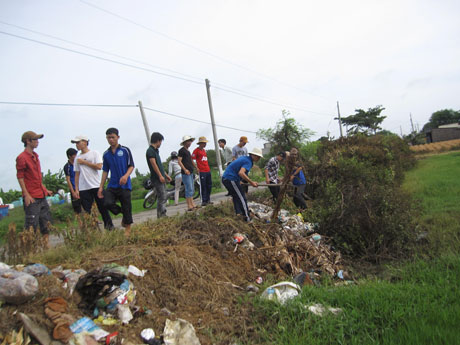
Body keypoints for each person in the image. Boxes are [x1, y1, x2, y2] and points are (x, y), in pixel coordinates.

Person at [16, 131, 53, 247]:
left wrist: (45, 189)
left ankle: (46, 248)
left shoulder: (35, 156)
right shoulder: (22, 157)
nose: (37, 142)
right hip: (32, 197)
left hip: (41, 195)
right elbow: (20, 177)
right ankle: (29, 251)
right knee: (31, 226)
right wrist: (26, 195)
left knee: (46, 224)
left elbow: (37, 177)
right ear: (28, 141)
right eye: (35, 139)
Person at [98, 128, 135, 236]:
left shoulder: (125, 150)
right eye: (108, 138)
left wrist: (126, 176)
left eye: (113, 137)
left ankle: (127, 228)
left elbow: (131, 166)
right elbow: (105, 171)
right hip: (112, 184)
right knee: (107, 202)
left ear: (118, 137)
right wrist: (101, 187)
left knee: (126, 204)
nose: (111, 140)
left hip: (125, 184)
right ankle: (123, 213)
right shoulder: (106, 154)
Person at [72, 135, 114, 230]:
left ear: (85, 142)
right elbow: (77, 174)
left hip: (95, 185)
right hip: (83, 188)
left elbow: (99, 166)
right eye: (76, 143)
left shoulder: (94, 153)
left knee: (102, 208)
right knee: (88, 211)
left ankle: (109, 227)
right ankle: (94, 230)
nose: (77, 145)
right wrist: (76, 189)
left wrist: (85, 162)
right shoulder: (77, 159)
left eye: (78, 142)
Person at [222, 148, 263, 222]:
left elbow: (237, 170)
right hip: (231, 179)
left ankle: (239, 213)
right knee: (242, 198)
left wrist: (239, 181)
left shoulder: (244, 158)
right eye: (258, 156)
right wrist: (251, 182)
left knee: (236, 196)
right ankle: (247, 218)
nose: (259, 158)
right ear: (253, 155)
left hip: (227, 178)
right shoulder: (248, 161)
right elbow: (241, 173)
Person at [146, 132, 171, 218]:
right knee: (162, 196)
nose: (160, 144)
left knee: (164, 195)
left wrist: (165, 175)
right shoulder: (150, 151)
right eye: (160, 142)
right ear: (157, 140)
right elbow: (154, 164)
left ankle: (162, 214)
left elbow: (159, 165)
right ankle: (161, 215)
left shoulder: (156, 151)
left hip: (161, 177)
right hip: (156, 178)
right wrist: (160, 176)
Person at [178, 135, 199, 211]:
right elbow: (179, 161)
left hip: (191, 172)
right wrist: (185, 169)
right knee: (188, 188)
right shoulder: (181, 150)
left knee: (192, 189)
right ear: (185, 142)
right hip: (185, 173)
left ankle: (192, 204)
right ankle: (189, 205)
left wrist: (196, 167)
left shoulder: (188, 151)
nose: (190, 143)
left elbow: (191, 160)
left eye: (190, 141)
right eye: (188, 141)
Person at [192, 136, 213, 206]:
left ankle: (208, 199)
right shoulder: (196, 150)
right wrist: (196, 167)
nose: (205, 144)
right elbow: (192, 159)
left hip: (207, 170)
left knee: (209, 185)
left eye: (205, 143)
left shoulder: (204, 151)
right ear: (200, 143)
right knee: (203, 186)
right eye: (204, 143)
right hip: (202, 171)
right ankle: (203, 200)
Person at [63, 148, 82, 214]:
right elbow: (68, 180)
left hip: (82, 187)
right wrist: (73, 192)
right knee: (77, 208)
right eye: (74, 155)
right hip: (74, 188)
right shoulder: (67, 166)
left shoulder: (79, 163)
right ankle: (80, 223)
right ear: (69, 156)